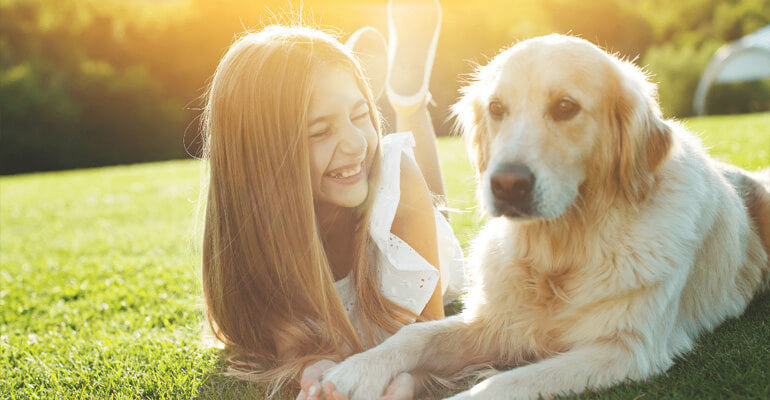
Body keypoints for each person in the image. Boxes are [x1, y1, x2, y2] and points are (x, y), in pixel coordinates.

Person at [199, 1, 462, 399]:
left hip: (404, 220)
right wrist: (313, 369)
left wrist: (412, 380)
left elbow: (431, 337)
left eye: (361, 115)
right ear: (262, 158)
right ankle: (346, 96)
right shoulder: (254, 235)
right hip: (331, 197)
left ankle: (407, 100)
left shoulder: (395, 181)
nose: (356, 143)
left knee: (426, 198)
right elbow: (292, 343)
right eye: (320, 131)